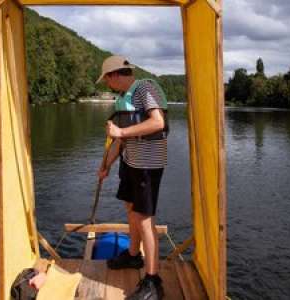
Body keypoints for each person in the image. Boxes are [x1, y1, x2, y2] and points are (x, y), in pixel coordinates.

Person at [97, 55, 168, 300]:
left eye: (107, 80)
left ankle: (152, 281)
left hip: (148, 165)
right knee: (130, 208)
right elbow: (120, 140)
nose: (107, 85)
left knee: (144, 218)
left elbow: (157, 122)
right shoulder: (122, 100)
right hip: (130, 162)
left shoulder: (144, 88)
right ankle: (133, 255)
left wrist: (121, 131)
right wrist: (106, 165)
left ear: (115, 75)